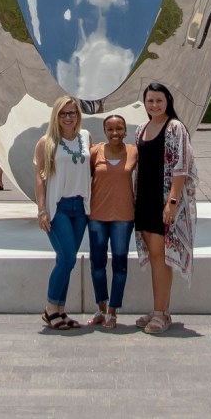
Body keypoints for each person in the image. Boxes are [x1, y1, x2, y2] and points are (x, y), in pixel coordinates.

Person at [133, 82, 197, 334]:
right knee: (155, 257)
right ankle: (160, 309)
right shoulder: (141, 129)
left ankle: (161, 313)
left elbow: (181, 167)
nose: (154, 105)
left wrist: (172, 202)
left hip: (164, 202)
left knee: (161, 257)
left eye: (159, 100)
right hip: (145, 200)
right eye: (150, 101)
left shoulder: (175, 128)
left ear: (168, 101)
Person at [35, 96, 92, 330]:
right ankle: (50, 309)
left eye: (73, 113)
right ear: (56, 116)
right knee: (67, 257)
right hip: (58, 207)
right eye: (63, 113)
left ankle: (60, 310)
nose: (69, 117)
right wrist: (41, 210)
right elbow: (40, 177)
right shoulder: (47, 142)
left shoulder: (86, 137)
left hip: (80, 208)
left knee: (66, 261)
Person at [86, 115, 136, 330]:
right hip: (97, 215)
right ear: (104, 131)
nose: (115, 132)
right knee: (97, 264)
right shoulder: (95, 152)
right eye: (110, 129)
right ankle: (101, 308)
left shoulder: (133, 151)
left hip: (123, 217)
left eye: (119, 128)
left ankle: (113, 311)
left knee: (119, 263)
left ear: (125, 131)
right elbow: (82, 177)